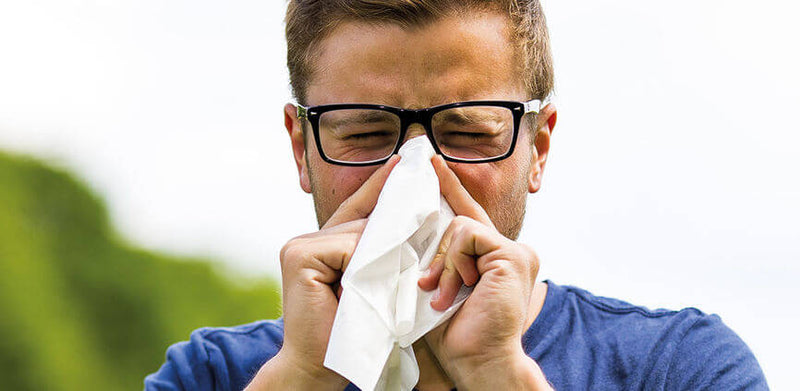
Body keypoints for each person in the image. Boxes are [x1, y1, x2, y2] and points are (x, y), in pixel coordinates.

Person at [145, 1, 768, 389]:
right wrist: (305, 377)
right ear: (301, 148)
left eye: (468, 132)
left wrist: (501, 377)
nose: (415, 178)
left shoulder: (677, 369)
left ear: (538, 149)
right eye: (364, 133)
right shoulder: (213, 376)